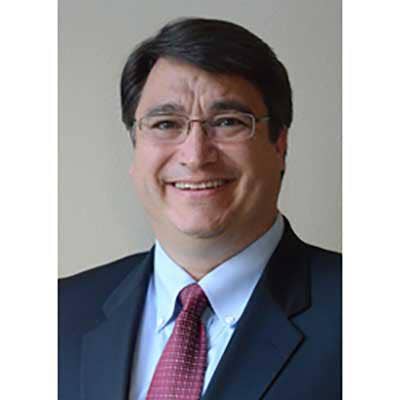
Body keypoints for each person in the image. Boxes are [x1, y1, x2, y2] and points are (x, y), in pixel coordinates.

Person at [59, 18, 341, 400]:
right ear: (135, 146)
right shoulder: (57, 314)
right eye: (165, 124)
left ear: (279, 144)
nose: (195, 156)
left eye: (227, 122)